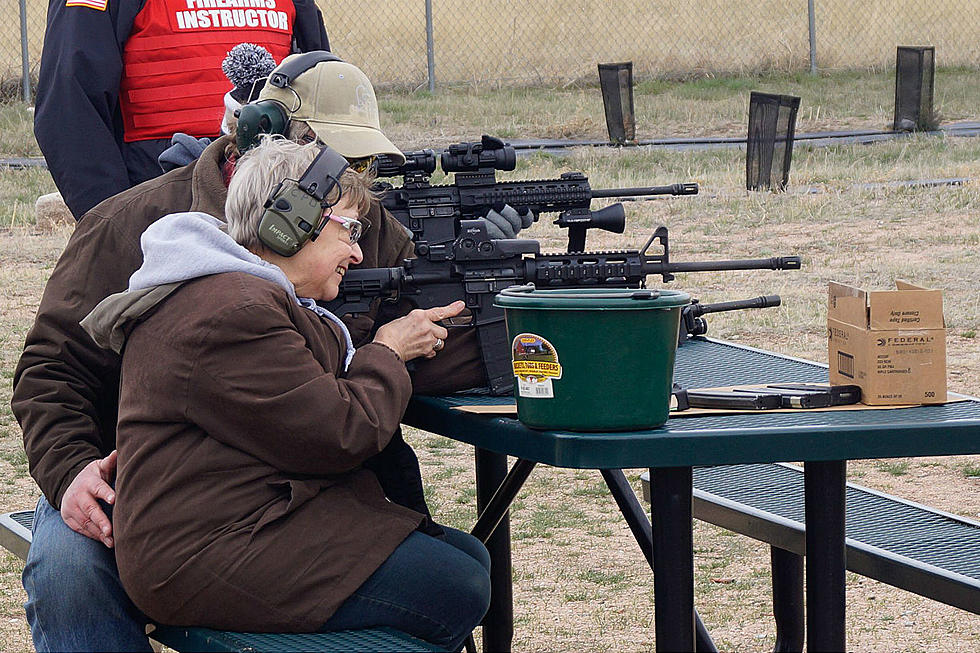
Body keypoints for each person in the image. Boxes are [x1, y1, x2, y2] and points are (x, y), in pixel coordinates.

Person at [13, 54, 485, 652]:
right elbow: (51, 372)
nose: (345, 176)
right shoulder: (131, 223)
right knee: (71, 573)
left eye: (358, 162)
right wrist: (70, 473)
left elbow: (423, 332)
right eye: (327, 158)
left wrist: (515, 311)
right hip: (124, 476)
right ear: (264, 136)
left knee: (443, 565)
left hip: (286, 477)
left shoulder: (358, 221)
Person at [33, 0, 329, 220]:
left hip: (272, 204)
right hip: (160, 206)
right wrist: (117, 221)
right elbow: (70, 110)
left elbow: (322, 96)